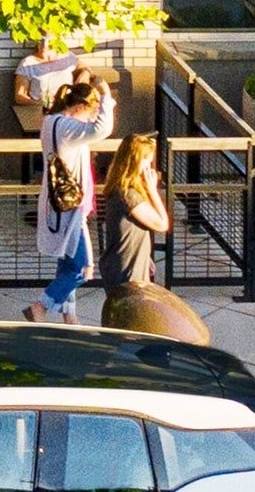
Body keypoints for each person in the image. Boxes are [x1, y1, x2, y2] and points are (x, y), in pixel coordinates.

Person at [25, 79, 114, 325]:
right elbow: (102, 129)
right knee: (82, 268)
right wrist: (106, 98)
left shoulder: (50, 122)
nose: (91, 118)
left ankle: (69, 315)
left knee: (67, 262)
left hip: (58, 203)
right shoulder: (68, 127)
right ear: (82, 107)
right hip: (71, 208)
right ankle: (40, 306)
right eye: (91, 112)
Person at [97, 133, 172, 290]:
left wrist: (145, 258)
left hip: (124, 265)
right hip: (126, 270)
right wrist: (153, 190)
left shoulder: (119, 188)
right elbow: (162, 224)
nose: (148, 167)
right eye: (146, 161)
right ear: (134, 160)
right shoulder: (128, 195)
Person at [12, 36, 78, 136]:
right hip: (41, 111)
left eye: (49, 41)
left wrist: (84, 74)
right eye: (41, 40)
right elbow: (19, 96)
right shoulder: (28, 62)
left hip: (66, 109)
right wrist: (37, 103)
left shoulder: (67, 56)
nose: (44, 45)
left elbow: (84, 68)